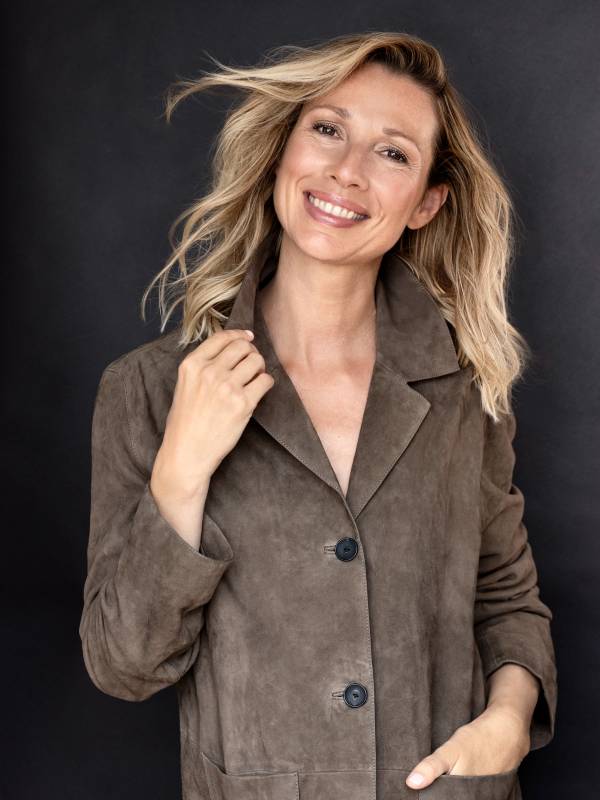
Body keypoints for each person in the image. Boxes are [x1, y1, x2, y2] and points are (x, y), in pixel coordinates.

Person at [79, 31, 558, 800]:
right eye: (328, 129)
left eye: (393, 152)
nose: (347, 169)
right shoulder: (149, 389)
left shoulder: (463, 387)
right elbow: (124, 665)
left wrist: (507, 719)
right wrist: (182, 469)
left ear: (425, 203)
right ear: (283, 153)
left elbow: (504, 594)